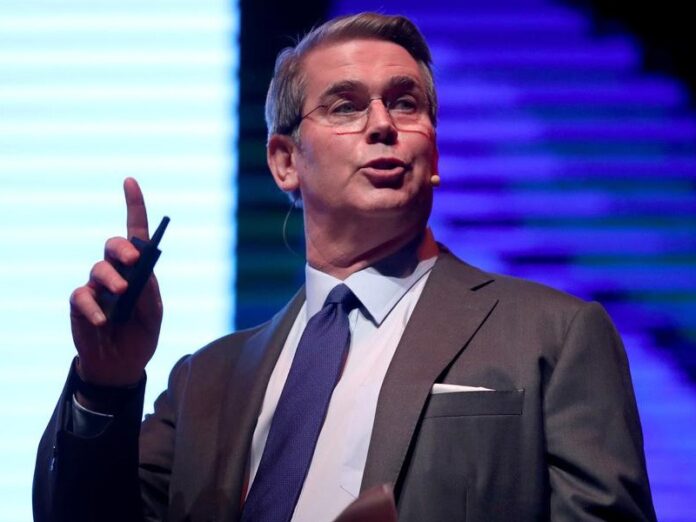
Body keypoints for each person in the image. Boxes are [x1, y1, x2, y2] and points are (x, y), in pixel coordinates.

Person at [34, 12, 657, 522]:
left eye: (406, 104)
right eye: (345, 107)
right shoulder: (207, 380)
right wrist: (104, 384)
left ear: (435, 154)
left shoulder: (553, 334)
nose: (383, 125)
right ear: (285, 162)